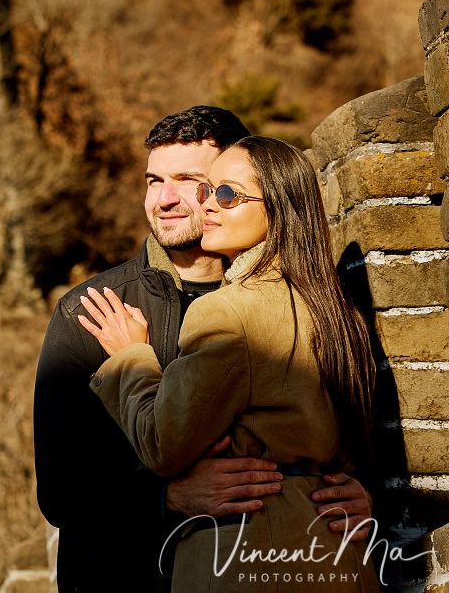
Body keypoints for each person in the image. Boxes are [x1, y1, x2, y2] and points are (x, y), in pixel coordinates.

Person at [33, 107, 372, 593]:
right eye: (154, 180)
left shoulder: (303, 300)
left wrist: (366, 492)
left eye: (190, 180)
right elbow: (61, 492)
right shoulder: (92, 311)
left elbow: (357, 429)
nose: (164, 199)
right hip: (124, 577)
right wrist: (168, 497)